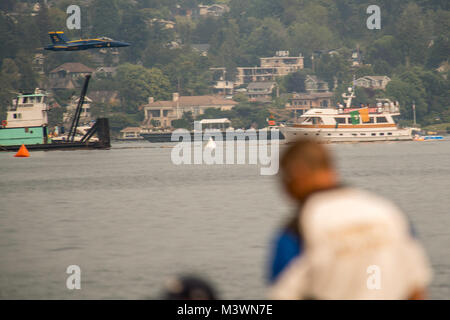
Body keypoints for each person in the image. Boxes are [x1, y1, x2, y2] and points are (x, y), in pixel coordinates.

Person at [268, 139, 431, 299]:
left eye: (284, 178)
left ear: (297, 172)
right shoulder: (387, 212)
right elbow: (416, 287)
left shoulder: (298, 231)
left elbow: (284, 293)